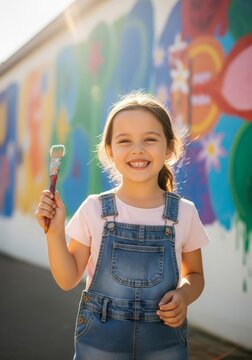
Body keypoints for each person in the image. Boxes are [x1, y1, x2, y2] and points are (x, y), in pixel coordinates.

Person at [36, 92, 209, 359]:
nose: (137, 149)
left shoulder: (185, 213)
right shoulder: (94, 209)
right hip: (99, 344)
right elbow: (67, 278)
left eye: (150, 139)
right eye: (124, 141)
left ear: (169, 148)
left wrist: (184, 296)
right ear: (109, 151)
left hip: (165, 344)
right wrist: (55, 232)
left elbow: (195, 276)